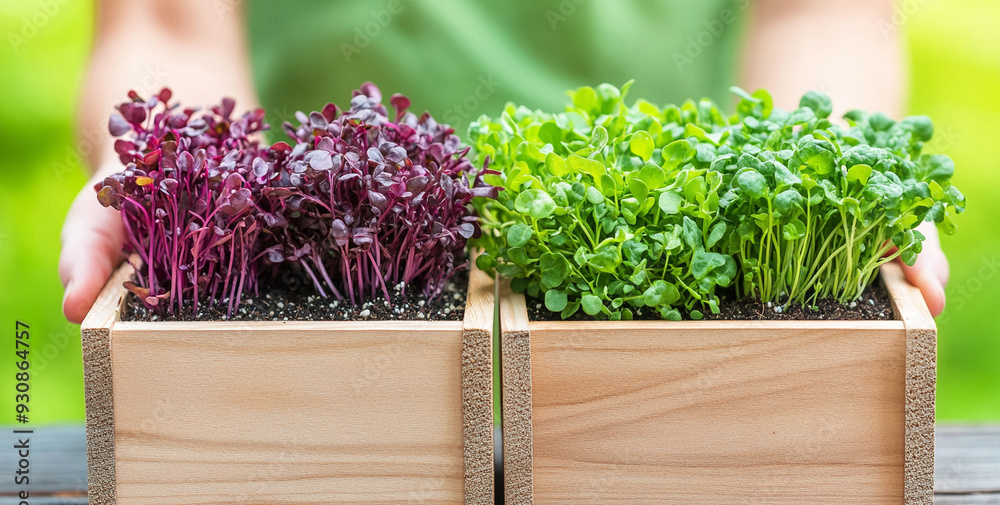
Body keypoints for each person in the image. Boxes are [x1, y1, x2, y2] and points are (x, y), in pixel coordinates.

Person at [59, 0, 950, 323]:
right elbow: (164, 22)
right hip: (303, 226)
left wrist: (840, 171)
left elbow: (823, 13)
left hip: (671, 215)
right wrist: (146, 166)